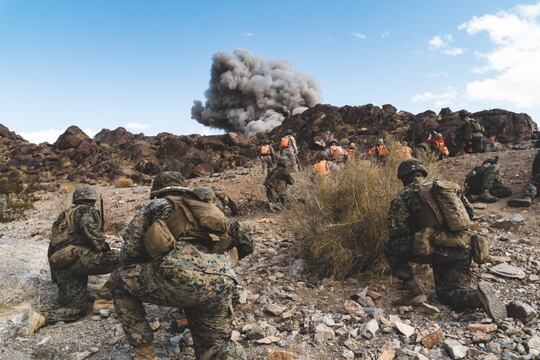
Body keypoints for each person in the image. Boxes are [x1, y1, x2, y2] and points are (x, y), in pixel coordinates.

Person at [106, 172, 246, 360]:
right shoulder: (207, 208)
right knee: (214, 349)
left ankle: (145, 354)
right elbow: (244, 242)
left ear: (157, 190)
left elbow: (130, 252)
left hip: (180, 279)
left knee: (117, 281)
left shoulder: (154, 206)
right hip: (222, 281)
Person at [384, 159, 506, 320]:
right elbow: (470, 214)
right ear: (423, 173)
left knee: (390, 246)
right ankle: (477, 297)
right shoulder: (449, 187)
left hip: (435, 249)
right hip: (463, 246)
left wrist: (420, 231)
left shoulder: (404, 195)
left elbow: (395, 230)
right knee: (449, 294)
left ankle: (415, 293)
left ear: (403, 178)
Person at [44, 186, 120, 325]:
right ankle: (105, 298)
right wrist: (105, 251)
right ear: (91, 200)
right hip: (79, 258)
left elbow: (51, 248)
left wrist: (55, 278)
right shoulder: (86, 211)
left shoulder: (63, 217)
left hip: (61, 264)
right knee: (124, 258)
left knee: (74, 310)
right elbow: (93, 234)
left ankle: (41, 319)